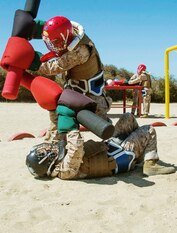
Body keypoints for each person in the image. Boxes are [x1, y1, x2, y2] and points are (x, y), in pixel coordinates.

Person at [31, 16, 112, 143]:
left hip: (92, 99)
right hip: (75, 92)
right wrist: (31, 27)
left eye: (56, 42)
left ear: (65, 37)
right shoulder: (69, 36)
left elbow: (54, 67)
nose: (54, 45)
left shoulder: (80, 49)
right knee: (58, 114)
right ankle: (55, 144)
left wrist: (32, 62)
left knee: (107, 131)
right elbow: (53, 28)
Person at [26, 112, 176, 180]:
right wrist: (71, 125)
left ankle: (141, 151)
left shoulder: (58, 160)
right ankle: (150, 164)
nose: (47, 148)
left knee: (127, 117)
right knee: (148, 130)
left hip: (110, 147)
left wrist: (56, 114)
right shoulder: (65, 169)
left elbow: (54, 135)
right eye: (44, 152)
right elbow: (76, 146)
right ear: (46, 162)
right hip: (121, 157)